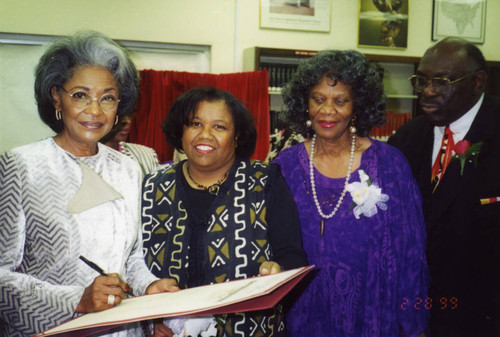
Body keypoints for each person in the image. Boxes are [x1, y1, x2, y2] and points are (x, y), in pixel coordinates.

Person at [0, 31, 179, 337]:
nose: (95, 111)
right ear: (57, 96)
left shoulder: (128, 169)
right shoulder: (20, 165)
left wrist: (149, 285)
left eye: (107, 98)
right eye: (81, 95)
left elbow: (132, 258)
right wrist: (77, 299)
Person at [272, 50, 429, 336]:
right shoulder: (285, 167)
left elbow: (411, 254)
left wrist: (414, 324)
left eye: (340, 101)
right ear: (305, 105)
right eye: (318, 99)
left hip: (373, 313)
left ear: (357, 106)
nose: (327, 111)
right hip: (303, 313)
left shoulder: (390, 164)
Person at [141, 87, 308, 337]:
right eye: (195, 123)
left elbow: (293, 256)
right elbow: (132, 266)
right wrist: (149, 323)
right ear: (181, 130)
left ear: (237, 136)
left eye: (219, 127)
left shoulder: (264, 181)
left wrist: (278, 269)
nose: (205, 135)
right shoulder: (152, 185)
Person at [388, 37, 500, 337]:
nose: (427, 92)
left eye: (442, 82)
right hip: (418, 310)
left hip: (484, 314)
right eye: (421, 80)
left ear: (478, 82)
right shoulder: (408, 137)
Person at [101, 109, 161, 176]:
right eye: (119, 115)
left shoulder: (146, 155)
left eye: (128, 115)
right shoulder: (89, 160)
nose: (127, 121)